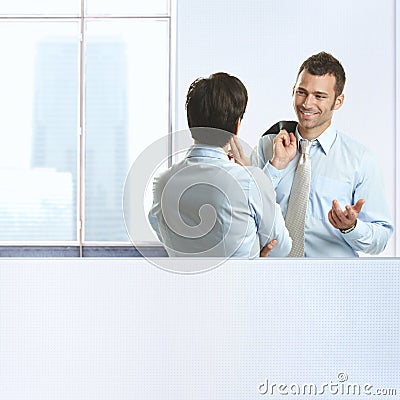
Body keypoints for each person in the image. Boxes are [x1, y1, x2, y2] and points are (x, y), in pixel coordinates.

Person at [231, 51, 393, 257]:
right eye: (302, 92)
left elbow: (380, 239)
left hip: (332, 281)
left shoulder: (360, 160)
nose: (307, 104)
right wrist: (272, 167)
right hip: (275, 277)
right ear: (293, 91)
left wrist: (351, 227)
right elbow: (247, 217)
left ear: (338, 101)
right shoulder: (267, 146)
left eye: (319, 96)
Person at [148, 72, 292, 257]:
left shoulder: (162, 182)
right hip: (240, 285)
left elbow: (161, 231)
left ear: (191, 123)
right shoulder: (249, 180)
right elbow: (281, 248)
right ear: (237, 126)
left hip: (183, 285)